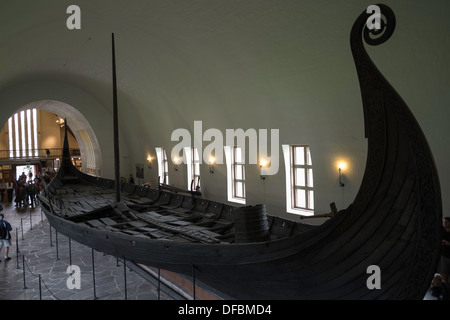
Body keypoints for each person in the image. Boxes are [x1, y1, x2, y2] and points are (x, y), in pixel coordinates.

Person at [441, 216, 450, 283]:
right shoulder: (442, 231)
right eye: (444, 222)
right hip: (444, 255)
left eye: (446, 222)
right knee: (444, 274)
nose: (445, 224)